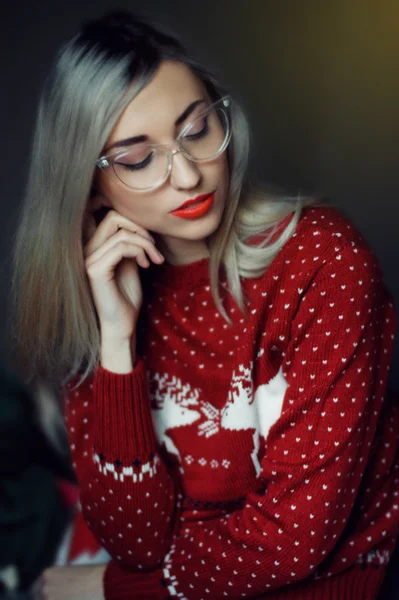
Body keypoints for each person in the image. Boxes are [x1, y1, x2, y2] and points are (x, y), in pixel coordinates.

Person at [9, 8, 399, 600]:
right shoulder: (100, 295)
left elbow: (296, 539)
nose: (189, 176)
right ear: (88, 185)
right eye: (138, 160)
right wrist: (117, 343)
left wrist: (116, 590)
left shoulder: (324, 262)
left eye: (196, 130)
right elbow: (137, 542)